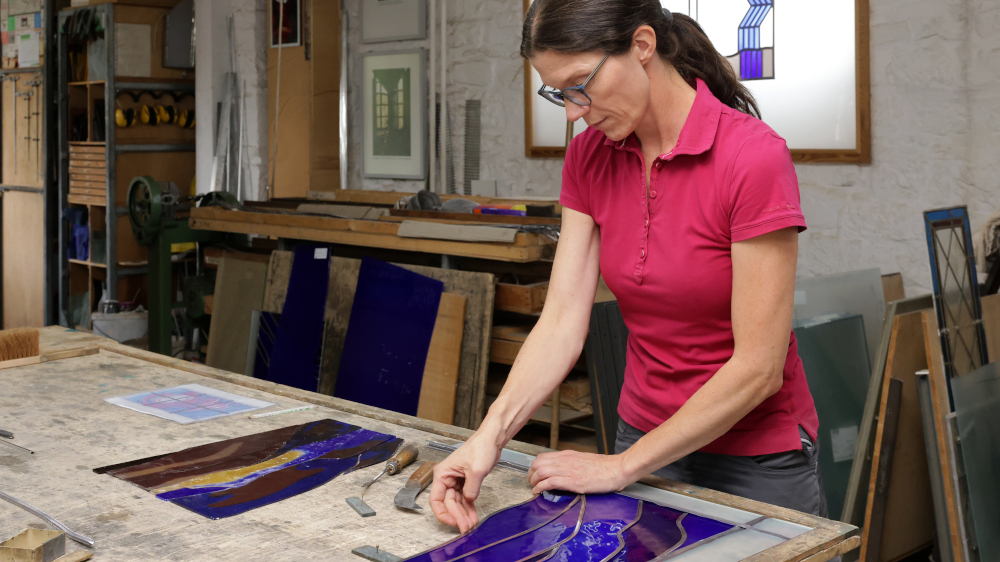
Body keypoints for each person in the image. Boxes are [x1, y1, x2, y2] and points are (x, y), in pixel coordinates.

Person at [430, 0, 827, 534]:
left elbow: (758, 368)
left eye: (580, 84)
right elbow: (563, 319)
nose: (573, 111)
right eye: (558, 93)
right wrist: (487, 437)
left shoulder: (751, 157)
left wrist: (622, 467)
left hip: (754, 455)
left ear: (642, 46)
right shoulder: (590, 156)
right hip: (641, 434)